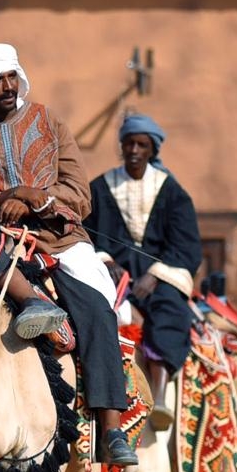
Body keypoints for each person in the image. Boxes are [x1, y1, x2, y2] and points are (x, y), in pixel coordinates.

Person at [0, 43, 137, 467]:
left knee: (98, 310)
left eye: (12, 76)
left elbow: (79, 193)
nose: (8, 86)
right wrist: (3, 199)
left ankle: (111, 429)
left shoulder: (48, 121)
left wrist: (34, 199)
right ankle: (33, 301)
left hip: (57, 237)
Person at [84, 114, 203, 431]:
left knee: (169, 310)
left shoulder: (172, 192)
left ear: (152, 150)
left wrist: (158, 273)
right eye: (129, 143)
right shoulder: (100, 187)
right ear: (121, 146)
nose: (134, 150)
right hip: (111, 273)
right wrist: (106, 260)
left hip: (161, 277)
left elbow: (187, 245)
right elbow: (87, 236)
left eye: (141, 144)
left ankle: (161, 395)